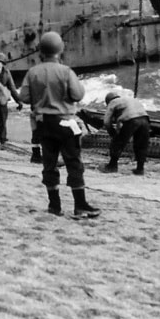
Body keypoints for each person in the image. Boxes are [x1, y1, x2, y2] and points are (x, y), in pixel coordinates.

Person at [18, 32, 97, 218]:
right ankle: (80, 205)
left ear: (40, 52)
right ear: (60, 50)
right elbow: (78, 95)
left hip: (44, 124)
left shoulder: (32, 72)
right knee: (74, 163)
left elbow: (24, 97)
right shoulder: (66, 72)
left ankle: (54, 206)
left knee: (49, 163)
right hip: (66, 122)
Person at [102, 90, 151, 176]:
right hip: (145, 119)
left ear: (108, 101)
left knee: (118, 143)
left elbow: (106, 122)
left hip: (132, 120)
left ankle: (112, 166)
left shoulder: (112, 103)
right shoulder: (129, 99)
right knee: (141, 145)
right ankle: (140, 169)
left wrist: (112, 134)